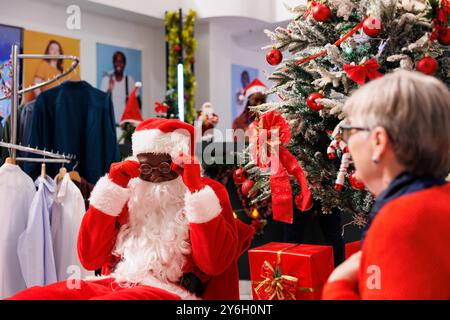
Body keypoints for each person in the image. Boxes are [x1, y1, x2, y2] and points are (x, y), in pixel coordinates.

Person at [8, 118, 254, 300]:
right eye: (147, 166)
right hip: (118, 281)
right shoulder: (130, 191)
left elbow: (214, 263)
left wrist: (196, 191)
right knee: (35, 296)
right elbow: (90, 257)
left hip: (173, 292)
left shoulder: (206, 191)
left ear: (181, 161)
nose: (155, 175)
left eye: (165, 166)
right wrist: (111, 189)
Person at [322, 70, 450, 299]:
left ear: (379, 142)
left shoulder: (400, 221)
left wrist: (337, 283)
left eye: (351, 131)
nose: (346, 144)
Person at [101, 51, 137, 124]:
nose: (118, 64)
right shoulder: (106, 79)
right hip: (110, 124)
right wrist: (109, 90)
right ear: (113, 63)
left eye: (121, 61)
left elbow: (135, 103)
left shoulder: (129, 80)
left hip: (125, 124)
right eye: (116, 61)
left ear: (124, 63)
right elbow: (101, 101)